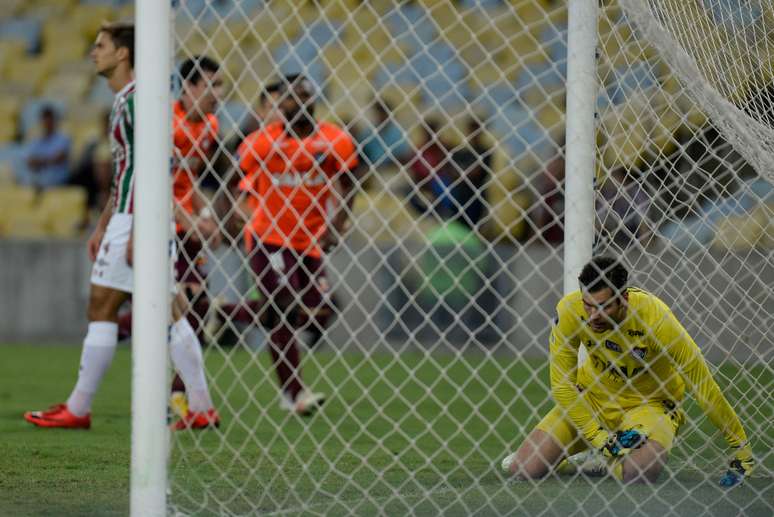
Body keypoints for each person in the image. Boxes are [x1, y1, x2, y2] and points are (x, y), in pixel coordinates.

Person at [23, 22, 219, 431]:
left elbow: (153, 169)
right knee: (171, 311)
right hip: (133, 215)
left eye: (101, 46)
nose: (93, 53)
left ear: (123, 54)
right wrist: (102, 225)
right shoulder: (129, 100)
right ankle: (200, 405)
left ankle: (78, 408)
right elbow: (126, 172)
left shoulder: (135, 103)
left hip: (138, 218)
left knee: (102, 305)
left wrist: (133, 231)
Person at [501, 256, 754, 486]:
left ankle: (608, 457)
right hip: (593, 399)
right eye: (588, 305)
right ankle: (590, 454)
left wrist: (740, 447)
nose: (593, 316)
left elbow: (703, 385)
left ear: (624, 298)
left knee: (637, 475)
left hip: (650, 405)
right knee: (521, 469)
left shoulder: (657, 319)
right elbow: (562, 385)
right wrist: (600, 439)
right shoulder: (569, 311)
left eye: (603, 307)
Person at [237, 73, 358, 415]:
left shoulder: (334, 139)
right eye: (287, 97)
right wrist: (229, 213)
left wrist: (338, 223)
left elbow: (350, 184)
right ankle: (293, 394)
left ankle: (223, 312)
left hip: (310, 243)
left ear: (313, 99)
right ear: (278, 104)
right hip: (269, 238)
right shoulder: (262, 142)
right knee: (285, 308)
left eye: (303, 95)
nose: (295, 102)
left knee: (323, 308)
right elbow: (234, 179)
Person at [449, 117, 492, 230]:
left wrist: (462, 172)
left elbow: (477, 173)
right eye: (472, 129)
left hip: (477, 193)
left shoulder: (485, 151)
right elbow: (452, 172)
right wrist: (467, 172)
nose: (474, 133)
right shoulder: (460, 151)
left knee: (474, 225)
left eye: (477, 129)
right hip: (461, 193)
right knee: (459, 224)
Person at [24, 105, 71, 188]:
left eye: (50, 120)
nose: (47, 124)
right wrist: (48, 160)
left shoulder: (63, 139)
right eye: (45, 120)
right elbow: (29, 162)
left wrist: (39, 161)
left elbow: (58, 158)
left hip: (59, 184)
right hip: (39, 184)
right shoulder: (35, 140)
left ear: (54, 121)